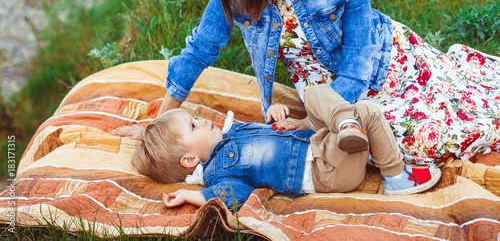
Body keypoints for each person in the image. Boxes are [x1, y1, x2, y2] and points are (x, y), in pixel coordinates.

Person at [150, 0, 500, 164]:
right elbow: (200, 49)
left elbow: (358, 60)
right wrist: (159, 125)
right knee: (367, 147)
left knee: (418, 141)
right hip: (322, 94)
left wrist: (318, 120)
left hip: (383, 66)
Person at [131, 84, 441, 209]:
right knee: (370, 111)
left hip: (317, 144)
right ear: (188, 160)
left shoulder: (233, 133)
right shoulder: (219, 171)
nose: (202, 120)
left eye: (195, 117)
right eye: (193, 126)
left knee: (314, 92)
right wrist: (190, 195)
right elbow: (232, 196)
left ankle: (347, 126)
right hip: (325, 170)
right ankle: (397, 177)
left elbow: (272, 135)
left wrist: (281, 118)